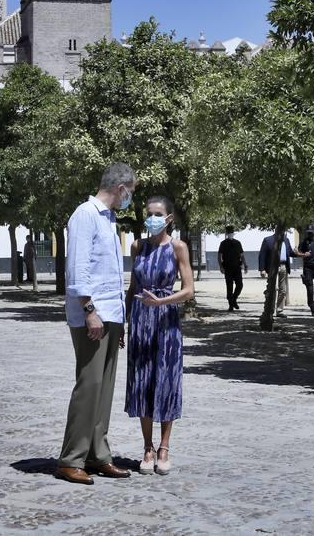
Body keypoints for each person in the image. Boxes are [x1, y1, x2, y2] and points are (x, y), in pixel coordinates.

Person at [56, 161, 137, 485]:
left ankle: (97, 455)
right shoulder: (85, 215)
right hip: (93, 313)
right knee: (88, 387)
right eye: (131, 192)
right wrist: (89, 309)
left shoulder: (109, 218)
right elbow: (77, 268)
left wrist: (118, 318)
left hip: (110, 314)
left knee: (103, 390)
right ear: (121, 188)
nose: (130, 198)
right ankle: (71, 458)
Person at [125, 197, 194, 476]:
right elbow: (132, 286)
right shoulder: (137, 246)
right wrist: (124, 322)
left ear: (168, 219)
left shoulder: (178, 247)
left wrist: (162, 303)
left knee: (166, 380)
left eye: (158, 214)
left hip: (166, 320)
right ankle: (147, 447)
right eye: (148, 214)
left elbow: (189, 290)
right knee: (142, 383)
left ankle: (164, 447)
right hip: (141, 321)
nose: (152, 218)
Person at [258, 230, 300, 316]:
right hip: (272, 266)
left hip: (283, 266)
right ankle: (269, 309)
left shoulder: (286, 240)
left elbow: (290, 253)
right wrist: (262, 269)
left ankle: (279, 310)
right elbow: (262, 255)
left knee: (283, 290)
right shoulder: (268, 240)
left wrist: (298, 253)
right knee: (273, 289)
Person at [217, 225, 248, 311]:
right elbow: (219, 256)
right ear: (227, 234)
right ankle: (230, 305)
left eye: (232, 233)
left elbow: (242, 255)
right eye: (229, 233)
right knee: (229, 286)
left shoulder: (238, 243)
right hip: (227, 268)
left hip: (237, 267)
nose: (230, 234)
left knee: (240, 285)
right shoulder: (223, 243)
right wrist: (221, 267)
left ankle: (234, 299)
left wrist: (245, 265)